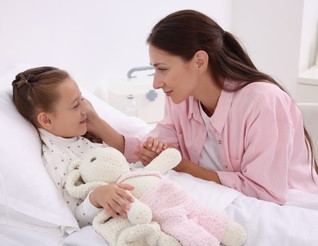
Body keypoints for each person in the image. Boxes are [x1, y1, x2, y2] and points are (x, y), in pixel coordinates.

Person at [87, 10, 318, 205]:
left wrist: (185, 167)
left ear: (199, 61)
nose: (156, 83)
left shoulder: (264, 102)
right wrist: (97, 123)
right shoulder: (180, 98)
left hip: (292, 206)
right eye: (154, 70)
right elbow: (151, 150)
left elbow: (263, 192)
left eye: (163, 69)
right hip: (225, 202)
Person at [12, 66, 134, 227]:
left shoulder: (81, 134)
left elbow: (122, 158)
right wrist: (95, 198)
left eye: (82, 99)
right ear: (47, 120)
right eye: (76, 105)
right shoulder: (57, 159)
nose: (86, 109)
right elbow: (76, 217)